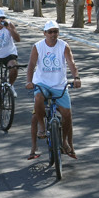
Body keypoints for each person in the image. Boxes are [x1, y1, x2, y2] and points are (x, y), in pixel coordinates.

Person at [25, 20, 81, 159]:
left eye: (55, 31)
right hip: (42, 84)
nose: (53, 34)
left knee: (67, 115)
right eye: (50, 32)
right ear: (44, 33)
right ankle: (38, 138)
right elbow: (31, 65)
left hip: (59, 85)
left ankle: (66, 143)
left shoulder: (64, 46)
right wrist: (29, 81)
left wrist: (76, 77)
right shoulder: (38, 46)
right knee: (35, 114)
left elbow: (71, 62)